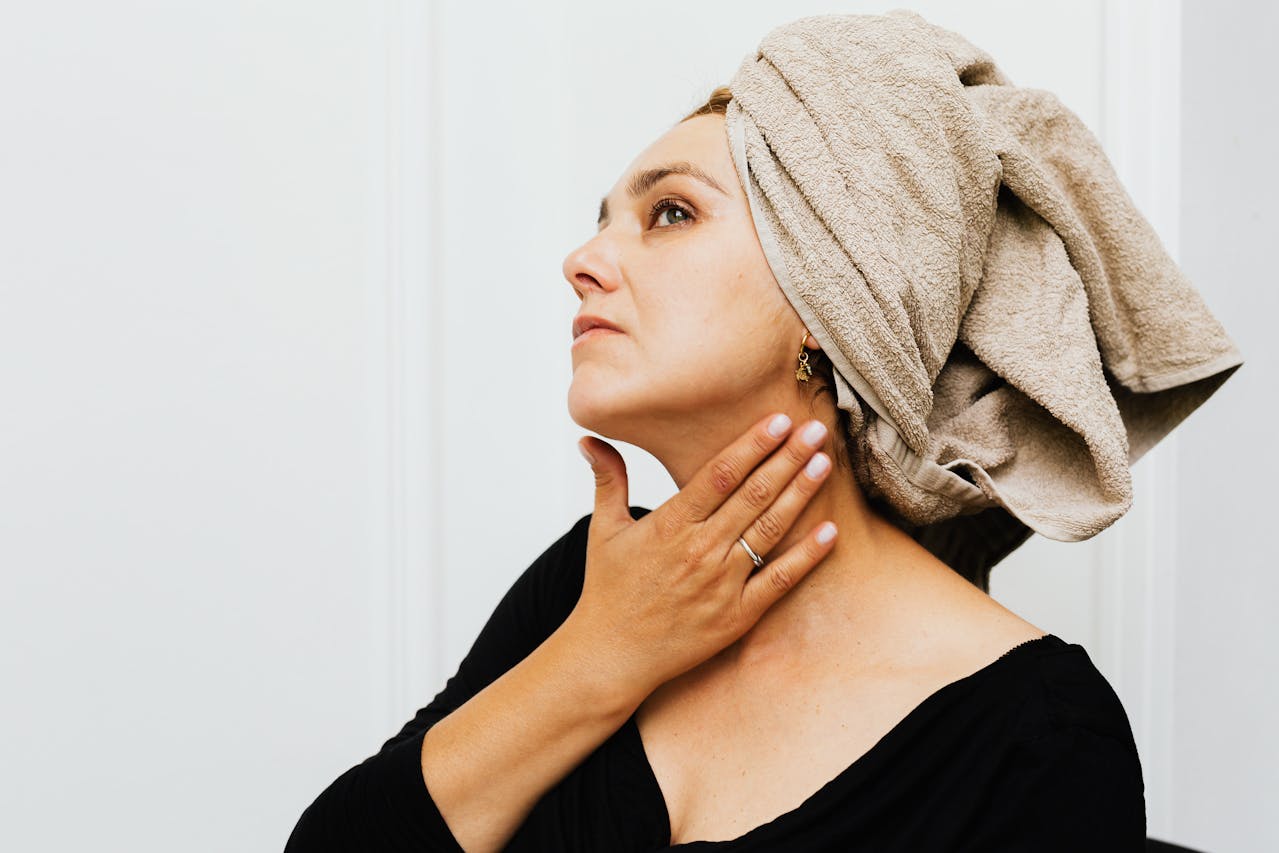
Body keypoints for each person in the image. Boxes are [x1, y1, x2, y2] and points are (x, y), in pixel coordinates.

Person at [283, 79, 1147, 851]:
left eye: (670, 214)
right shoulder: (592, 584)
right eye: (601, 222)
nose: (581, 263)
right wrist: (601, 654)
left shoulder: (1040, 737)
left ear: (832, 295)